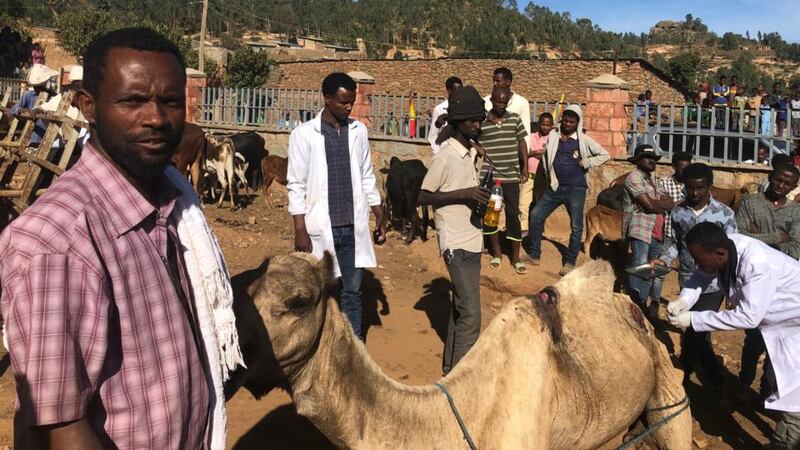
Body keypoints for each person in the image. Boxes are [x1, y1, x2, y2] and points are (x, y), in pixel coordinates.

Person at [0, 27, 244, 449]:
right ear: (88, 106)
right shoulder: (58, 242)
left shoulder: (172, 206)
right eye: (132, 100)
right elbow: (60, 430)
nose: (155, 117)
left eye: (169, 101)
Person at [667, 222, 800, 450]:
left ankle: (787, 442)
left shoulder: (757, 264)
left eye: (699, 260)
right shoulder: (726, 248)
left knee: (792, 390)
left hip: (793, 326)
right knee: (777, 378)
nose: (697, 265)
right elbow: (700, 277)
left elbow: (748, 317)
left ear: (719, 254)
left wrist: (694, 319)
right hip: (778, 324)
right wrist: (684, 300)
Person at [288, 72, 386, 341]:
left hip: (353, 227)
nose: (348, 107)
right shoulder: (304, 135)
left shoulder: (358, 132)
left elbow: (366, 174)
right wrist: (300, 228)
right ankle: (320, 347)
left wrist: (377, 209)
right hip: (320, 227)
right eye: (343, 102)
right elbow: (295, 184)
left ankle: (355, 350)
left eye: (352, 102)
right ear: (327, 99)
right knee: (320, 293)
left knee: (352, 293)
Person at [418, 85, 490, 374]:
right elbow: (423, 196)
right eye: (472, 120)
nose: (477, 125)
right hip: (455, 242)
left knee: (462, 308)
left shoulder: (472, 152)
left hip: (473, 238)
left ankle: (450, 369)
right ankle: (462, 379)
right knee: (472, 314)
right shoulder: (446, 155)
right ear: (458, 122)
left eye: (479, 120)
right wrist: (464, 194)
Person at [655, 163, 737, 391]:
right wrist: (665, 259)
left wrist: (730, 289)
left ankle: (687, 381)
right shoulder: (678, 211)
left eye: (700, 188)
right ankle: (709, 382)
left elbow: (732, 252)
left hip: (714, 284)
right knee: (696, 333)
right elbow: (674, 244)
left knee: (696, 332)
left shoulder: (724, 214)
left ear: (709, 187)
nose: (694, 193)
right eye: (689, 188)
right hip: (688, 280)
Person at [736, 164, 800, 402]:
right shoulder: (749, 203)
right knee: (753, 337)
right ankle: (744, 380)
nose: (781, 186)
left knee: (778, 340)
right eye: (778, 181)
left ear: (794, 187)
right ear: (770, 178)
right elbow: (739, 239)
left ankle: (767, 386)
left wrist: (756, 239)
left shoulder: (796, 212)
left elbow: (795, 249)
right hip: (754, 280)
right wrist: (776, 237)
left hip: (784, 286)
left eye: (788, 184)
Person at [524, 104, 610, 276]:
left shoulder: (583, 140)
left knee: (576, 226)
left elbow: (605, 154)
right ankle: (534, 254)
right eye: (566, 120)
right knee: (536, 215)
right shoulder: (555, 135)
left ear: (577, 123)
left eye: (572, 122)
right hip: (555, 186)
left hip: (576, 188)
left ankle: (570, 261)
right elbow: (547, 154)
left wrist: (586, 162)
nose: (568, 124)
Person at [477, 86, 528, 274]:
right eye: (498, 101)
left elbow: (521, 141)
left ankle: (515, 257)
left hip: (511, 177)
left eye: (504, 102)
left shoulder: (514, 119)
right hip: (491, 178)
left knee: (513, 215)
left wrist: (524, 165)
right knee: (492, 215)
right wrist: (478, 147)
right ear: (491, 100)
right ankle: (497, 253)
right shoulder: (482, 122)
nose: (501, 105)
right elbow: (470, 136)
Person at [622, 144, 674, 320]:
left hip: (657, 230)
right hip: (641, 228)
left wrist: (656, 203)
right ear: (637, 160)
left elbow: (669, 203)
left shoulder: (653, 180)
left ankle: (641, 307)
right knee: (640, 265)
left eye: (654, 158)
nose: (652, 161)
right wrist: (658, 203)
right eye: (647, 157)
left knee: (650, 270)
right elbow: (651, 205)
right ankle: (634, 305)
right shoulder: (633, 178)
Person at [520, 112, 553, 234]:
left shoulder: (553, 139)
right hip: (529, 175)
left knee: (539, 204)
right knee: (523, 203)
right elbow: (523, 152)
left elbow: (551, 156)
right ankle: (523, 230)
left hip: (543, 178)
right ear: (539, 124)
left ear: (552, 126)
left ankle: (537, 231)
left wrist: (541, 154)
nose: (545, 127)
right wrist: (535, 152)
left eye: (548, 125)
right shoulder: (530, 136)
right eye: (543, 124)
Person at [657, 151, 693, 250]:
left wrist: (674, 203)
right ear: (674, 166)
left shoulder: (693, 185)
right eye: (683, 169)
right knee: (663, 261)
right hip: (669, 232)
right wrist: (686, 201)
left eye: (688, 168)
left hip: (689, 233)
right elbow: (663, 206)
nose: (686, 172)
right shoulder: (664, 183)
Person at [483, 67, 531, 135]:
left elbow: (526, 130)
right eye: (493, 81)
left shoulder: (521, 103)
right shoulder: (485, 101)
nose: (494, 84)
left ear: (508, 82)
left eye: (498, 81)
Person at [428, 76, 462, 154]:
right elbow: (433, 136)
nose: (461, 93)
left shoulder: (464, 108)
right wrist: (437, 154)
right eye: (458, 89)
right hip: (444, 153)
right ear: (449, 91)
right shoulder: (439, 109)